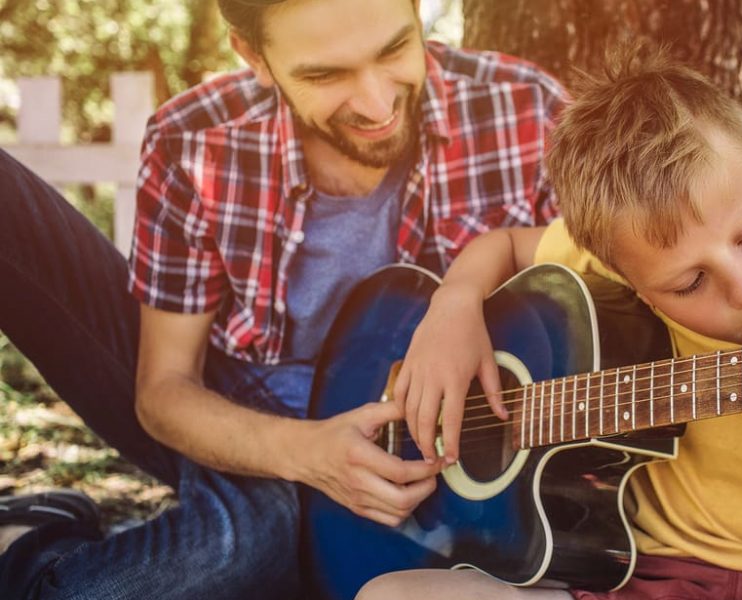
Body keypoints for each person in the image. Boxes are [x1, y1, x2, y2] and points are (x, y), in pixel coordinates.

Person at [359, 46, 742, 600]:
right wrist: (454, 306)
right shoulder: (616, 253)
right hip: (630, 580)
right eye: (689, 283)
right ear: (624, 275)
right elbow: (503, 246)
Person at [0, 0, 566, 596]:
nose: (377, 104)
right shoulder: (192, 139)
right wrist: (309, 455)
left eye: (395, 49)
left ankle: (30, 547)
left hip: (419, 456)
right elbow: (163, 390)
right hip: (239, 410)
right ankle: (32, 538)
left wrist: (460, 301)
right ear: (254, 57)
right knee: (240, 547)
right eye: (325, 75)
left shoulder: (525, 109)